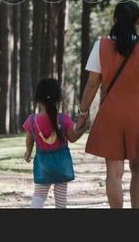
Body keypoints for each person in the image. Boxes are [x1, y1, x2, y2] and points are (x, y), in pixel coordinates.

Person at [76, 0, 139, 208]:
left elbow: (92, 85)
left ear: (114, 19)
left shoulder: (101, 46)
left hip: (110, 114)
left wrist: (83, 113)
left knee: (114, 173)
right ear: (138, 20)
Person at [23, 78, 85, 208]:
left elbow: (29, 141)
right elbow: (73, 138)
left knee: (39, 194)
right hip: (62, 164)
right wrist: (82, 129)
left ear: (37, 99)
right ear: (58, 99)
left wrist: (28, 153)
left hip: (42, 164)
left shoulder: (32, 120)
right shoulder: (64, 119)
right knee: (61, 196)